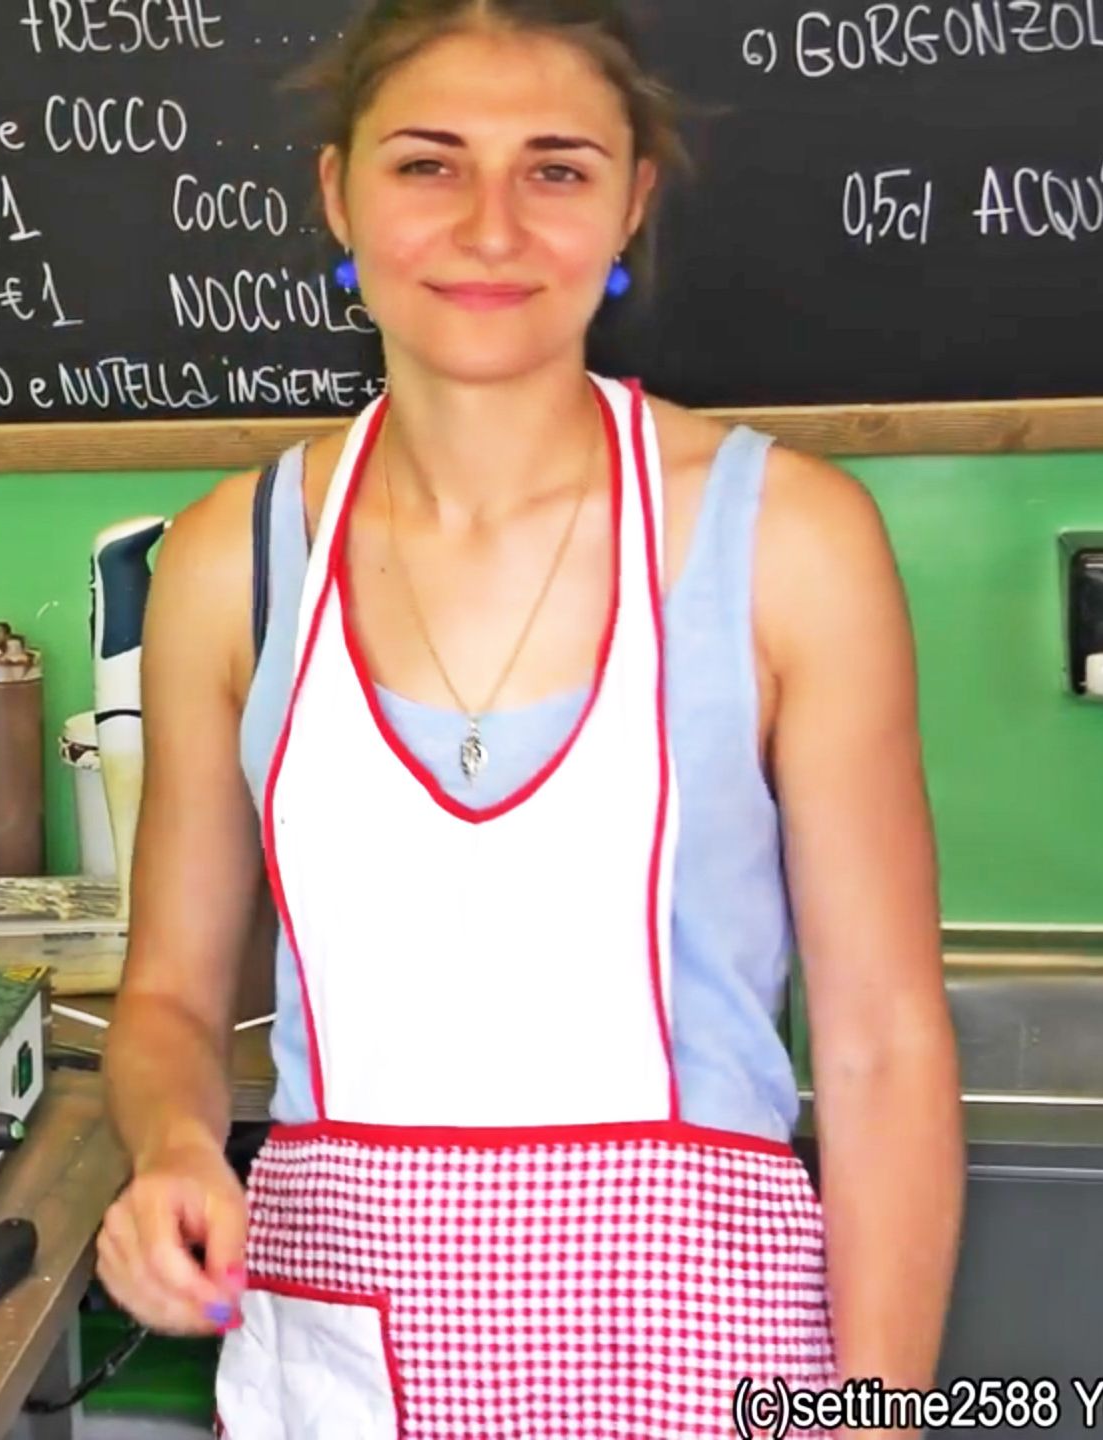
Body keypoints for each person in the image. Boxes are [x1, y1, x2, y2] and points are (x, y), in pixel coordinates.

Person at [94, 1, 967, 1434]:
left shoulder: (788, 540)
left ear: (629, 203)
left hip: (708, 1347)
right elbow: (176, 1000)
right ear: (340, 195)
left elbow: (880, 1046)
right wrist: (175, 1143)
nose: (490, 229)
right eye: (428, 165)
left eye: (555, 169)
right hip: (347, 1353)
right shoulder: (226, 565)